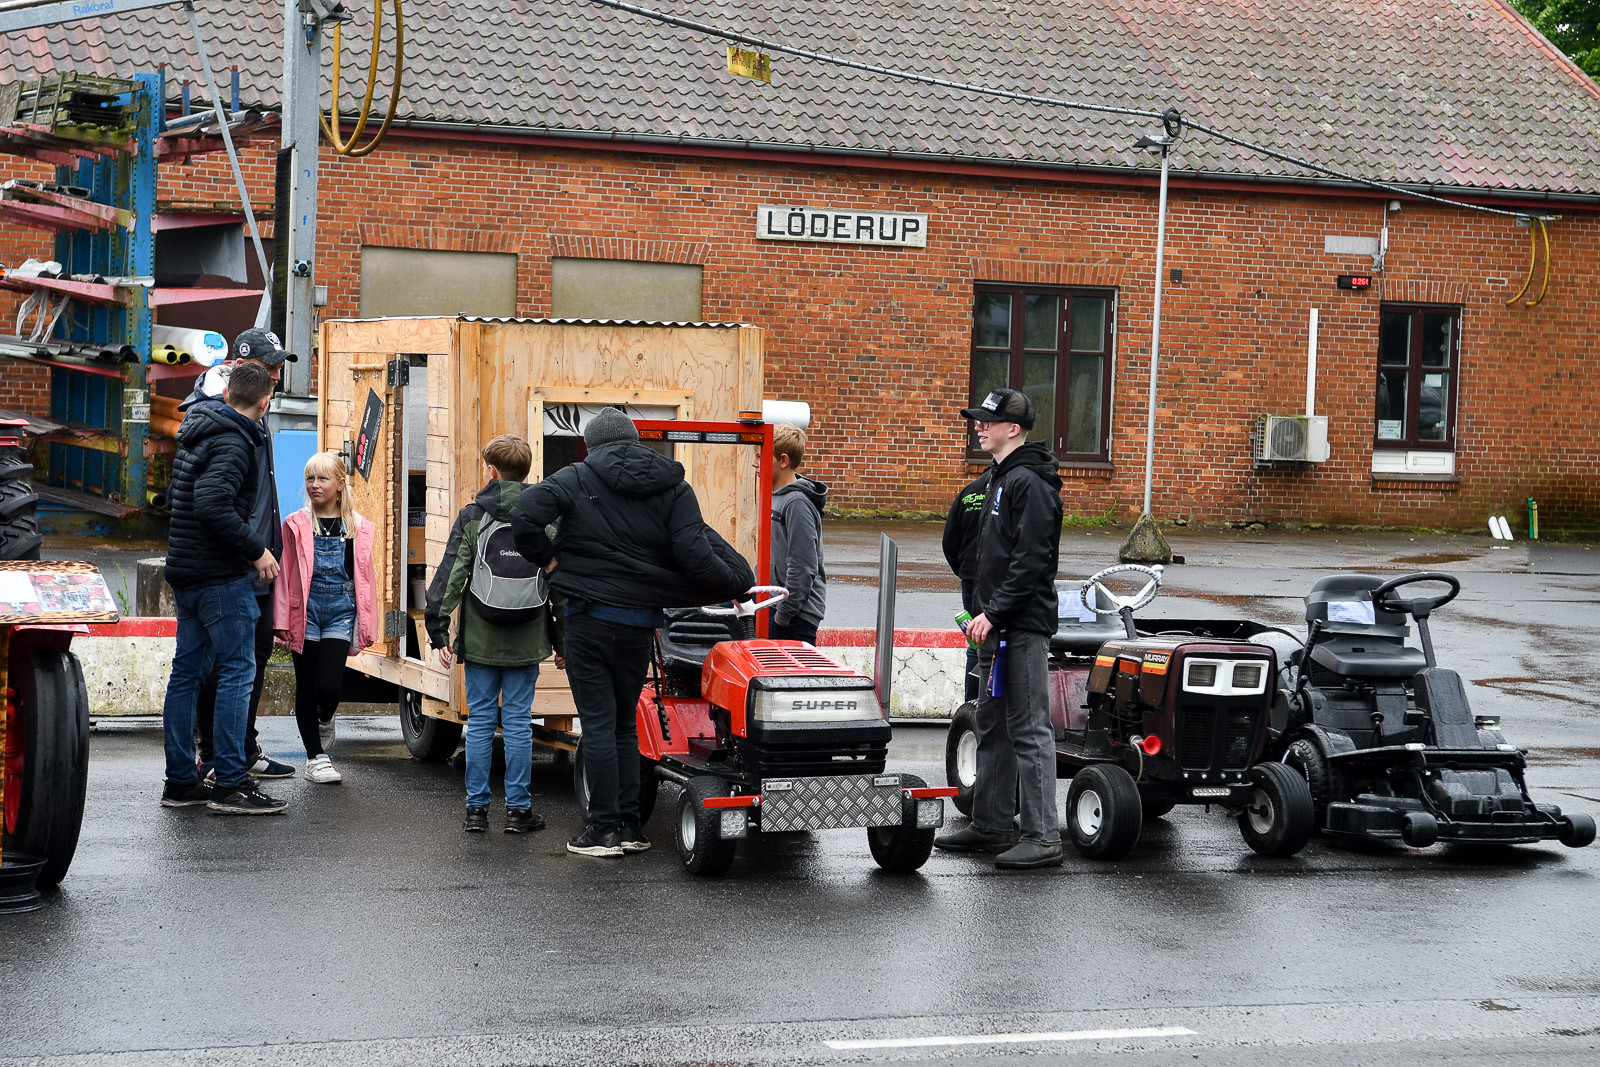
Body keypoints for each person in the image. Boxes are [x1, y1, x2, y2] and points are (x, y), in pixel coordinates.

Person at [511, 408, 753, 859]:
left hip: (588, 619)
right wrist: (732, 585)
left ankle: (602, 831)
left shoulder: (575, 477)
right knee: (624, 724)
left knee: (598, 725)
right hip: (639, 625)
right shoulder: (673, 485)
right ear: (635, 441)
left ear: (591, 445)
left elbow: (523, 515)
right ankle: (628, 827)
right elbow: (693, 552)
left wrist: (549, 561)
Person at [933, 387, 1064, 869]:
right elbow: (975, 554)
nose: (979, 427)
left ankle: (1042, 836)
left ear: (1013, 429)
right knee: (992, 725)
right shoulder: (998, 479)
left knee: (1029, 730)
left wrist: (995, 612)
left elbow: (1032, 562)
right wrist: (985, 612)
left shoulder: (1030, 483)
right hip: (994, 627)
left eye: (987, 421)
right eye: (978, 420)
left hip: (1020, 628)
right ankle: (991, 823)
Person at [159, 361, 287, 815]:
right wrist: (257, 550)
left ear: (228, 393)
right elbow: (212, 505)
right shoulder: (234, 441)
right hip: (218, 577)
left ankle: (181, 781)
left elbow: (180, 501)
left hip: (187, 570)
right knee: (237, 670)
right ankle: (231, 782)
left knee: (187, 674)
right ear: (265, 402)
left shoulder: (199, 429)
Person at [426, 435, 563, 835]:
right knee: (518, 722)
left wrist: (438, 630)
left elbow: (451, 575)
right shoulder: (547, 519)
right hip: (528, 637)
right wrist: (563, 642)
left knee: (482, 721)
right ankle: (518, 811)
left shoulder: (473, 515)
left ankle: (476, 810)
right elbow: (560, 584)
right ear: (527, 472)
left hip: (481, 639)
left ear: (491, 471)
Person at [181, 327, 300, 781]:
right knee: (221, 665)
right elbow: (212, 502)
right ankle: (216, 757)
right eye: (271, 367)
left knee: (254, 656)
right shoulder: (220, 411)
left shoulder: (255, 410)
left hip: (258, 555)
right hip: (235, 559)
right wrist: (252, 549)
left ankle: (242, 749)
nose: (277, 376)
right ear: (243, 366)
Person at [272, 452, 378, 784]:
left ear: (340, 484)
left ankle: (326, 715)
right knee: (306, 684)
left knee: (328, 687)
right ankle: (316, 758)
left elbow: (365, 579)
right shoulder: (296, 524)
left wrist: (369, 621)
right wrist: (281, 619)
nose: (315, 485)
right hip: (305, 610)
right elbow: (285, 574)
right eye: (310, 479)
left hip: (340, 611)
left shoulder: (358, 527)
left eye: (323, 479)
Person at [768, 424, 828, 644]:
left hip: (794, 617)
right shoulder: (776, 497)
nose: (755, 463)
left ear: (783, 460)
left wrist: (782, 618)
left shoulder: (797, 503)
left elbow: (803, 567)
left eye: (760, 456)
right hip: (775, 605)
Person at [942, 466, 993, 702]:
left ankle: (971, 704)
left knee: (976, 644)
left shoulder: (969, 491)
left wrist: (964, 571)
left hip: (971, 579)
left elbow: (949, 541)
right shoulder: (1010, 490)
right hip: (1002, 581)